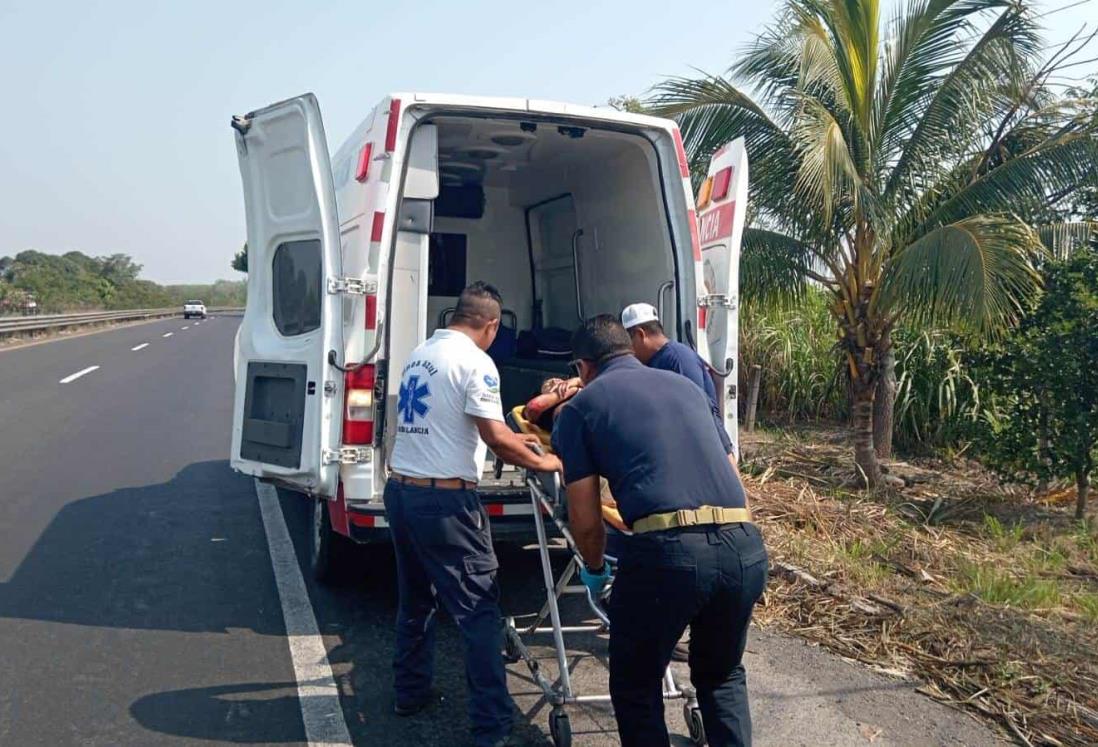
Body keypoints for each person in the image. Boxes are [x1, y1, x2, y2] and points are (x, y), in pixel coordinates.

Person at [551, 315, 768, 747]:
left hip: (671, 554)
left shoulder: (581, 408)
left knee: (635, 683)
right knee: (722, 675)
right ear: (629, 349)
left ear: (583, 368)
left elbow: (586, 517)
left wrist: (594, 570)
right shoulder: (686, 387)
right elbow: (732, 474)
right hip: (744, 544)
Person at [384, 281, 561, 747]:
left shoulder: (422, 352)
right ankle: (492, 728)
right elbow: (496, 436)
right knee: (479, 613)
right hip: (445, 505)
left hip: (402, 492)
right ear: (490, 325)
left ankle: (409, 692)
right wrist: (549, 461)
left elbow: (456, 421)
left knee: (416, 600)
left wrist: (511, 439)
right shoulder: (477, 362)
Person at [621, 302, 736, 460]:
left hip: (706, 448)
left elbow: (695, 410)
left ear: (640, 335)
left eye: (629, 343)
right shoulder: (653, 361)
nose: (629, 351)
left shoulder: (678, 358)